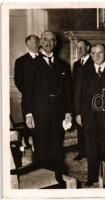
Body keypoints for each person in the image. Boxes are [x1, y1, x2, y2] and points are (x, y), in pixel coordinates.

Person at [23, 31, 73, 181]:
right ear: (40, 43)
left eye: (52, 40)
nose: (48, 42)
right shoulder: (30, 64)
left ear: (55, 44)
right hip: (39, 114)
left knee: (57, 147)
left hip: (58, 114)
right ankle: (42, 180)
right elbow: (27, 91)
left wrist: (68, 112)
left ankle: (57, 178)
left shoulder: (63, 65)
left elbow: (68, 92)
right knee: (41, 147)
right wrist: (28, 114)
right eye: (45, 39)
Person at [78, 43, 105, 186]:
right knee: (90, 147)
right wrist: (78, 114)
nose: (97, 55)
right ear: (90, 55)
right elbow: (77, 94)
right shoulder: (83, 71)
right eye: (94, 53)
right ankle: (92, 177)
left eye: (100, 52)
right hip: (88, 115)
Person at [72, 39, 93, 161]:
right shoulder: (76, 64)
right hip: (79, 101)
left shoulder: (94, 62)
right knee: (80, 127)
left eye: (81, 47)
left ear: (88, 48)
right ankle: (82, 152)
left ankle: (91, 152)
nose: (79, 50)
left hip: (90, 102)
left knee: (90, 128)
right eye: (77, 47)